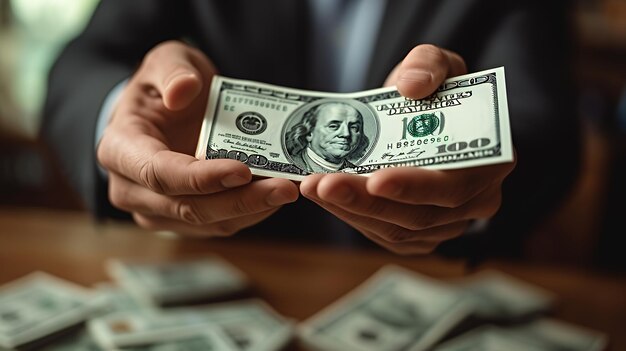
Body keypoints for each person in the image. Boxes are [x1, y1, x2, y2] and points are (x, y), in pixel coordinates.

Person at [41, 1, 581, 260]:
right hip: (230, 271)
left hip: (433, 284)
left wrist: (473, 185)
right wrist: (123, 122)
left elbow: (543, 124)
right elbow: (81, 64)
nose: (343, 138)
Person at [285, 101, 369, 173]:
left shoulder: (359, 171)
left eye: (354, 127)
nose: (346, 134)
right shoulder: (292, 163)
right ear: (309, 133)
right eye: (333, 126)